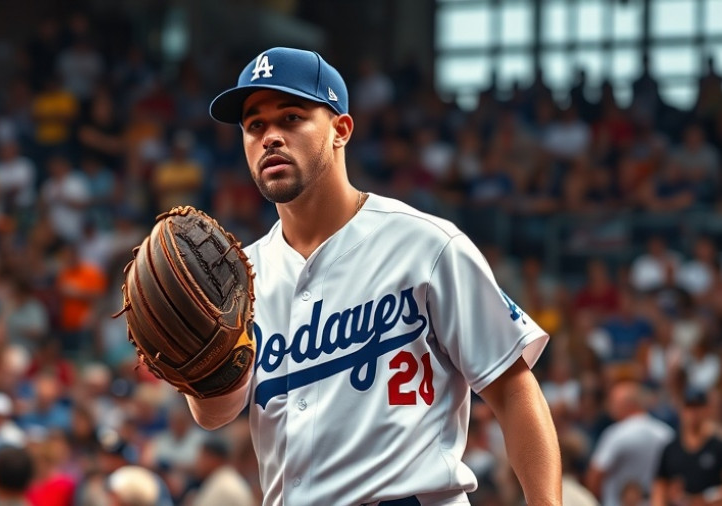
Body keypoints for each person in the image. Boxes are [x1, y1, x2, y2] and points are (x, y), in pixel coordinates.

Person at [183, 47, 561, 505]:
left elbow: (514, 390)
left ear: (341, 130)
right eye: (255, 125)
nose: (271, 138)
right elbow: (215, 415)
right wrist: (192, 362)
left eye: (291, 117)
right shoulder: (242, 278)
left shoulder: (425, 244)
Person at [585, 381, 673, 506]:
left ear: (628, 404)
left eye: (613, 402)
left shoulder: (616, 434)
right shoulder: (665, 433)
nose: (609, 407)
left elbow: (595, 475)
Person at [652, 389, 722, 505]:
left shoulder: (717, 447)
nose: (693, 413)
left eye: (698, 407)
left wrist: (700, 499)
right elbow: (660, 487)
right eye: (689, 407)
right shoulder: (671, 449)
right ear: (681, 410)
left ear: (706, 410)